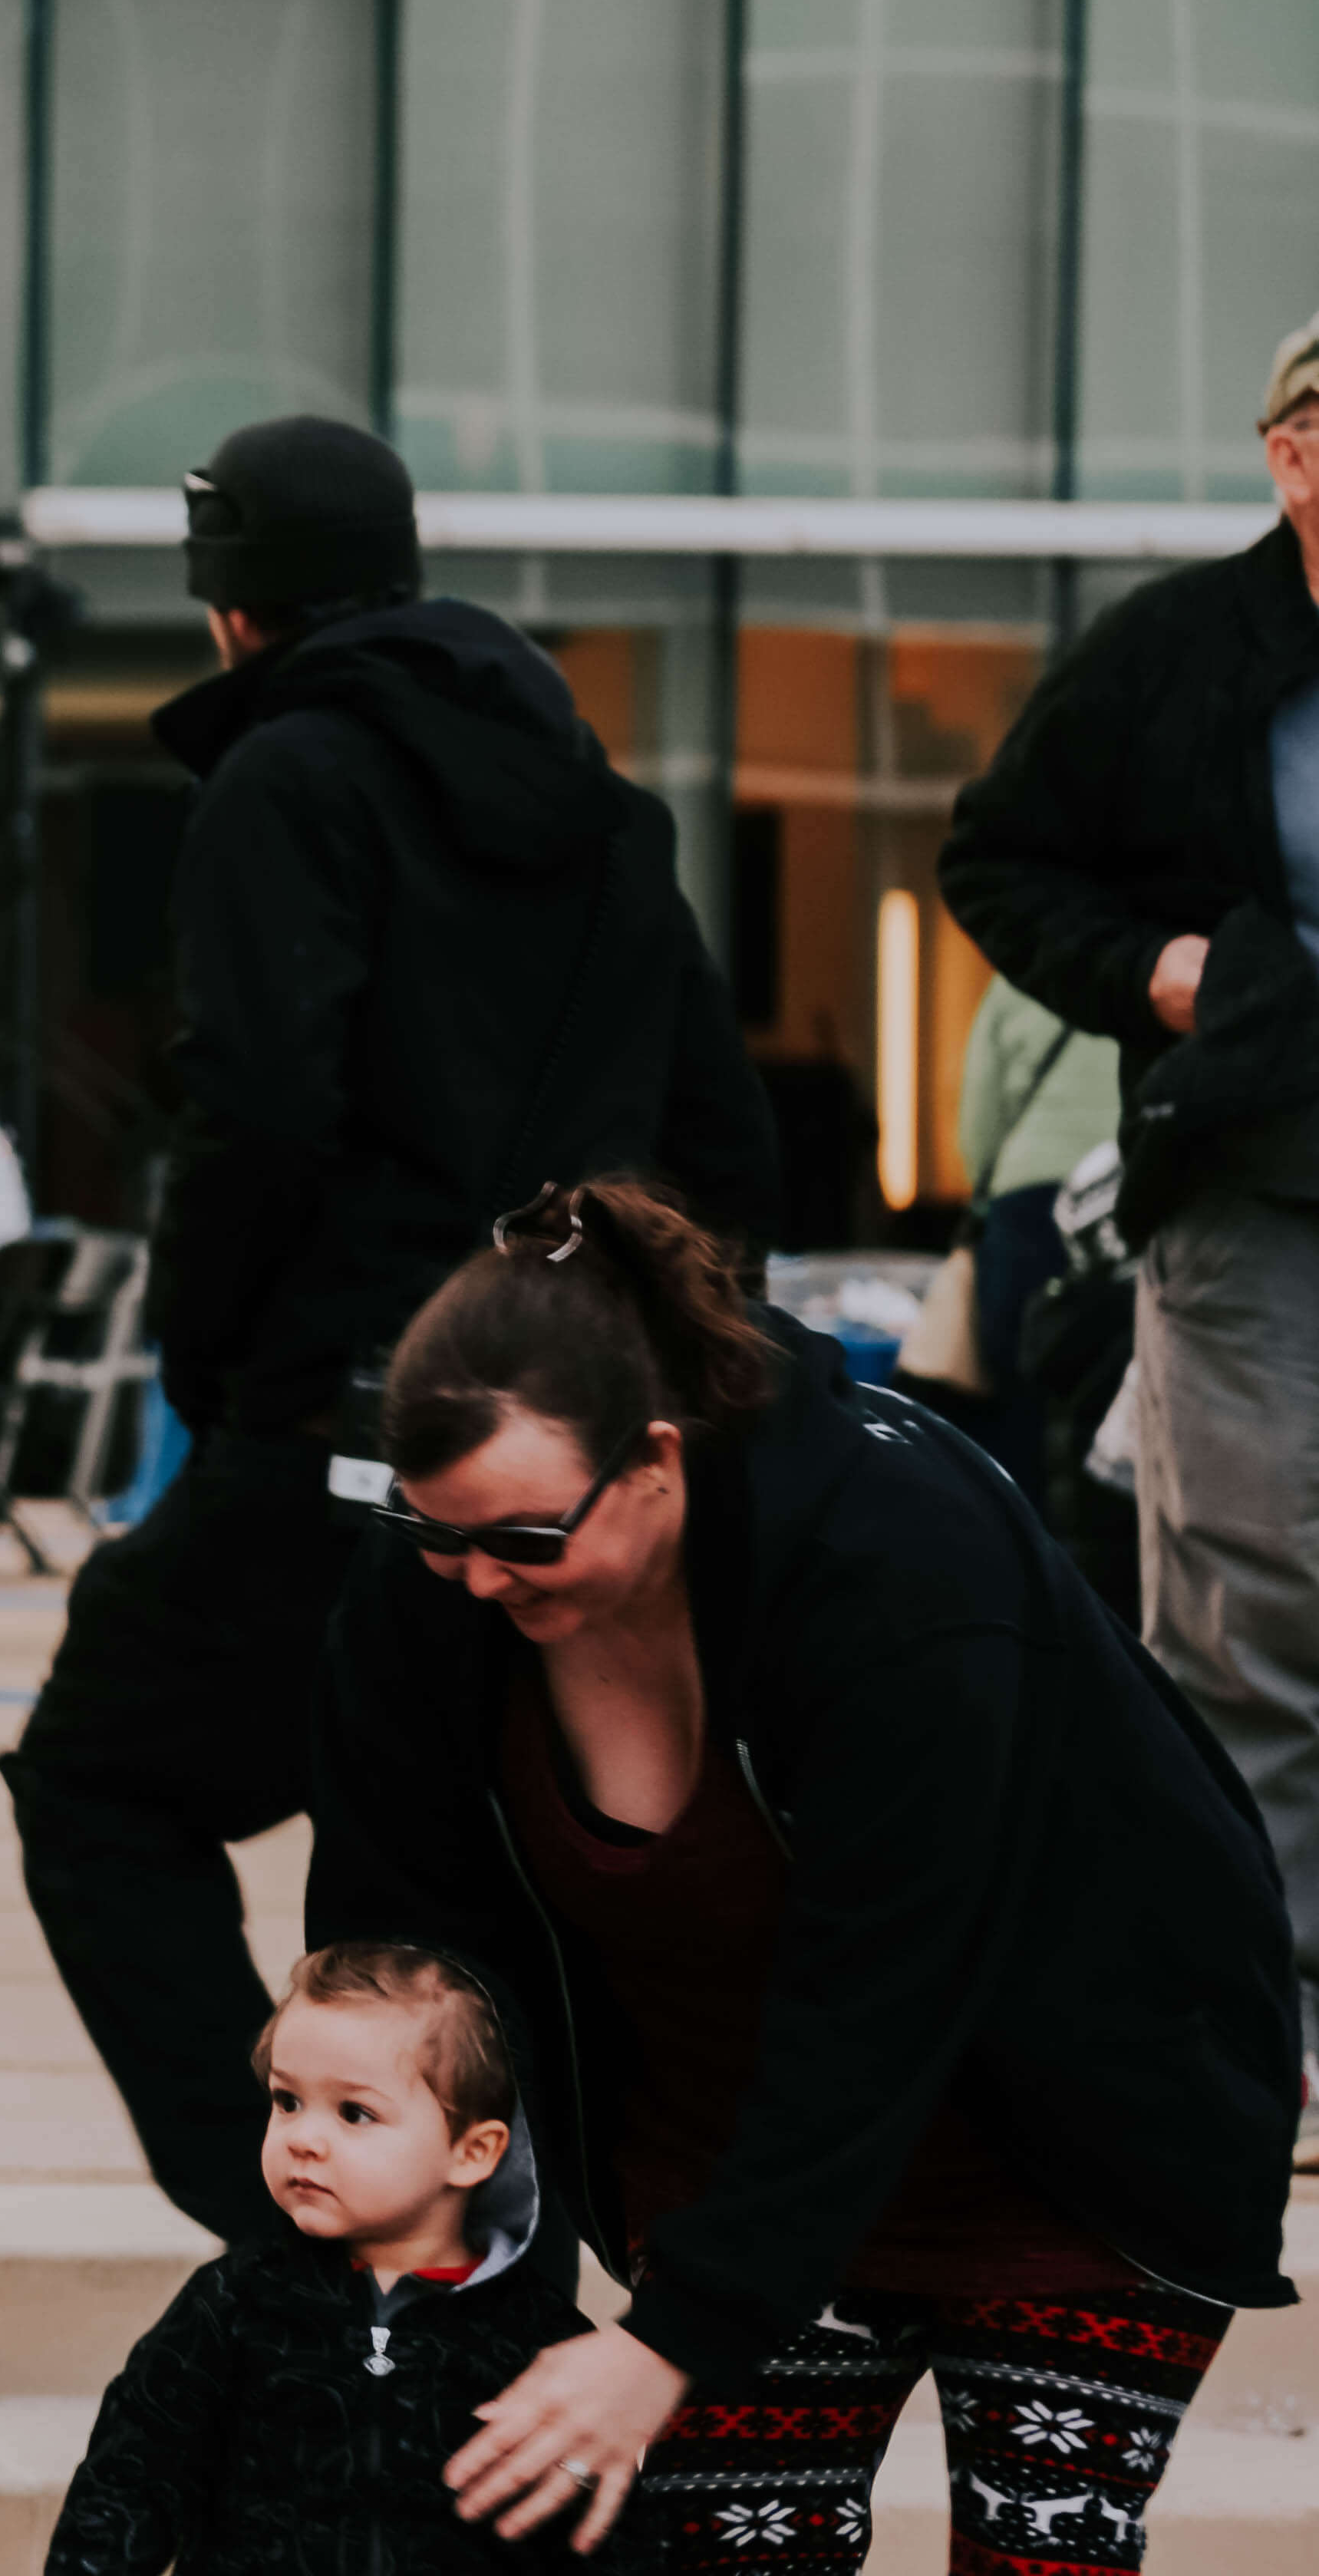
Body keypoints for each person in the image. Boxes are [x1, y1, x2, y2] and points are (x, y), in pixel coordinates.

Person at [3, 416, 780, 2246]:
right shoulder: (596, 805)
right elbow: (721, 1144)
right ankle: (463, 2281)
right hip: (571, 1450)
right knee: (427, 1866)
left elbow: (255, 1105)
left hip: (351, 1412)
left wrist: (223, 1367)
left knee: (98, 1772)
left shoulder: (284, 781)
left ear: (224, 609)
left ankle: (302, 2244)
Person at [310, 1179, 1300, 2574]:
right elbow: (403, 1957)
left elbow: (881, 1994)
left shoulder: (898, 1564)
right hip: (727, 2163)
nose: (475, 1577)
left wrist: (675, 2336)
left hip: (1072, 2149)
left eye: (525, 1540)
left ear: (655, 1459)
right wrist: (452, 2278)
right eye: (436, 1530)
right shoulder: (431, 1594)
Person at [938, 308, 1319, 2159]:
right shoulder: (1172, 657)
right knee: (1246, 1602)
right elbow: (992, 855)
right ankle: (1264, 2024)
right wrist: (1158, 972)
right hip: (1250, 1184)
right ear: (1290, 456)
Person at [50, 1943, 641, 2572]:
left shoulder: (538, 2345)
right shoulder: (236, 2303)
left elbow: (605, 2535)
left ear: (471, 2152)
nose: (303, 2139)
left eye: (354, 2112)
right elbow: (126, 2484)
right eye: (287, 2102)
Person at [941, 971, 1113, 1486]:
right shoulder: (1168, 963)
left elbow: (978, 1127)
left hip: (1027, 1208)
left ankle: (1027, 1545)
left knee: (1019, 1398)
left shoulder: (1018, 977)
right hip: (1125, 1196)